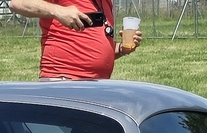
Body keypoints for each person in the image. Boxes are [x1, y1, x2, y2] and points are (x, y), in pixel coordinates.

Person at [8, 0, 142, 80]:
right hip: (64, 79)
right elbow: (17, 3)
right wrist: (57, 10)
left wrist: (121, 49)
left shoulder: (106, 3)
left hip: (97, 84)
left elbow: (94, 46)